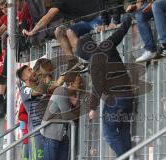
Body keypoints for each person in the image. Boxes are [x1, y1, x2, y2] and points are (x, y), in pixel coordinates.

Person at [76, 15, 135, 157]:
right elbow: (121, 32)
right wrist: (128, 18)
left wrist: (92, 108)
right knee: (124, 129)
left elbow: (97, 86)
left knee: (109, 134)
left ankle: (124, 157)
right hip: (128, 96)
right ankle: (128, 156)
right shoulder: (107, 44)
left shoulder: (94, 62)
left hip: (116, 99)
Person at [22, 0, 104, 56]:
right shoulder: (56, 4)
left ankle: (93, 58)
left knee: (70, 32)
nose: (44, 3)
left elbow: (46, 18)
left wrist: (32, 32)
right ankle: (73, 62)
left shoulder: (59, 2)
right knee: (59, 31)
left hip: (98, 18)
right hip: (86, 22)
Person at [40, 71, 87, 160]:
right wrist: (77, 104)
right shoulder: (60, 91)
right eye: (79, 82)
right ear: (71, 84)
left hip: (63, 135)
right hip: (51, 135)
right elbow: (67, 116)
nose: (81, 85)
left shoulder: (70, 93)